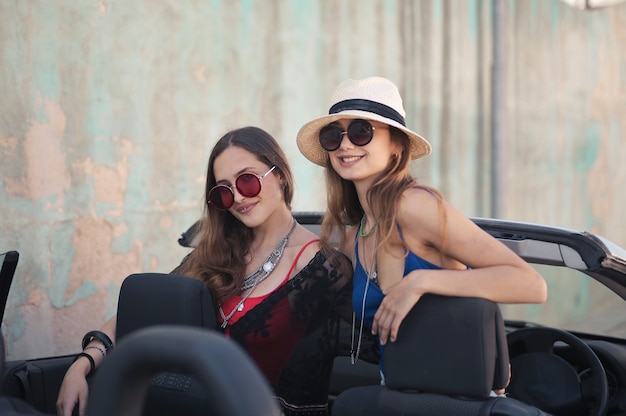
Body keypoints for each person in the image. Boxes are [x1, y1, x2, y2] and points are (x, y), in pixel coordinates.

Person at [57, 126, 353, 416]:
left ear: (280, 176)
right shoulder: (213, 252)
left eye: (247, 181)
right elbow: (141, 313)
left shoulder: (323, 267)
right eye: (224, 191)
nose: (237, 197)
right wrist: (82, 364)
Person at [296, 76, 548, 384]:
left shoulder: (413, 206)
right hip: (399, 395)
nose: (346, 144)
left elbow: (531, 284)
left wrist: (421, 281)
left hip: (458, 401)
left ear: (396, 147)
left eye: (362, 131)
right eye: (333, 136)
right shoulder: (355, 237)